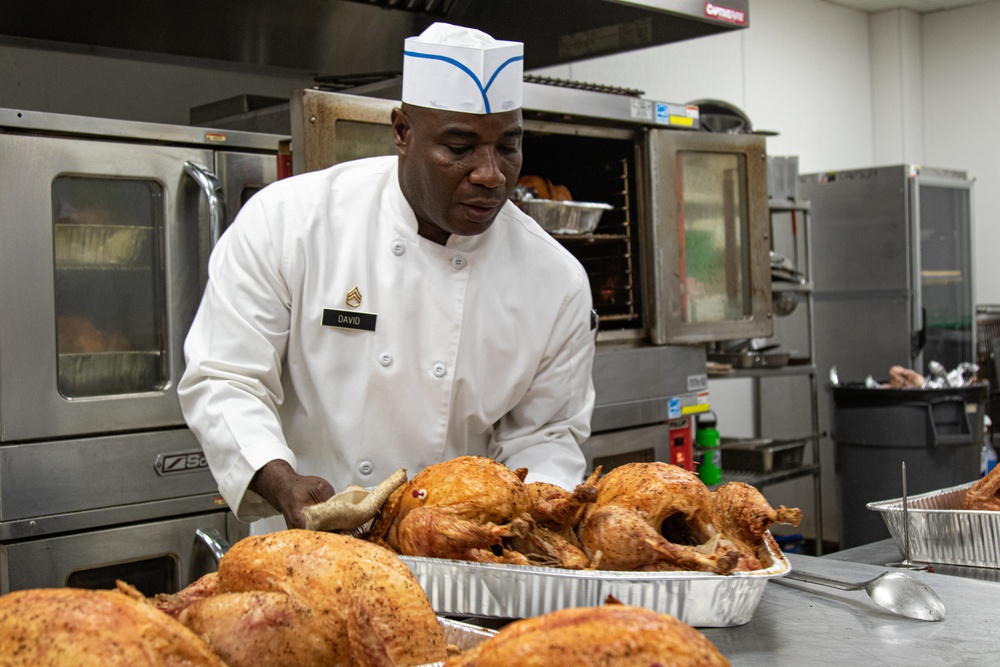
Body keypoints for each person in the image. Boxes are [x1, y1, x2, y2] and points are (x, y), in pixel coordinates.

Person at [178, 22, 597, 534]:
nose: (490, 174)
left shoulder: (555, 281)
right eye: (460, 147)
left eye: (507, 147)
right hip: (306, 551)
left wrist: (514, 528)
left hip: (463, 556)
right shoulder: (290, 222)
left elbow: (547, 436)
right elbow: (225, 376)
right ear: (402, 132)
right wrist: (280, 480)